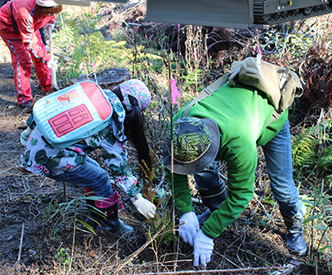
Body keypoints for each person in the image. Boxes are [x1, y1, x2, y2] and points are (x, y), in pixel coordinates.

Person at [163, 57, 307, 266]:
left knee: (282, 187)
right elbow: (173, 167)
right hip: (240, 114)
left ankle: (294, 227)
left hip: (272, 123)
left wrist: (208, 234)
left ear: (215, 148)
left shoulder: (238, 142)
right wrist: (186, 210)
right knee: (204, 172)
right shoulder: (180, 123)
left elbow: (242, 195)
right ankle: (216, 210)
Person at [20, 79, 157, 235]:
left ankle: (94, 213)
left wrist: (28, 133)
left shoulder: (90, 95)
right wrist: (137, 198)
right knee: (100, 178)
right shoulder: (108, 120)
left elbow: (49, 106)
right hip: (51, 159)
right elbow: (118, 165)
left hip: (39, 145)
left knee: (95, 171)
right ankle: (108, 225)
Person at [0, 0, 61, 108]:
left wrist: (51, 21)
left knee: (40, 55)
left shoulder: (47, 6)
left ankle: (48, 88)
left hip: (30, 25)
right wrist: (47, 58)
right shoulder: (26, 14)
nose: (51, 14)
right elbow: (30, 43)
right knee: (23, 61)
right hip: (9, 27)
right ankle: (24, 99)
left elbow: (51, 12)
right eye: (49, 13)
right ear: (42, 9)